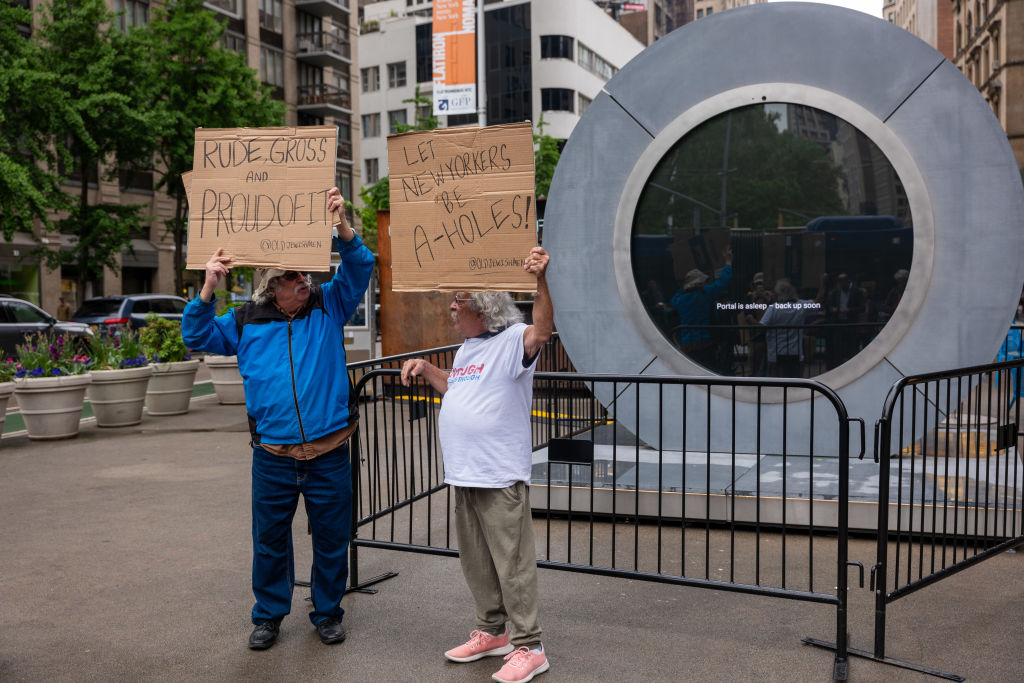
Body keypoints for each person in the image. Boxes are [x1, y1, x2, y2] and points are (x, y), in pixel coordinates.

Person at [181, 187, 374, 651]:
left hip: (329, 452)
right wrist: (208, 286)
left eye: (304, 272)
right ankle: (268, 616)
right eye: (292, 276)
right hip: (273, 456)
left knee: (331, 540)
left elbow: (360, 266)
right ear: (272, 285)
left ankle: (327, 612)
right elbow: (195, 333)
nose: (304, 280)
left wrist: (342, 227)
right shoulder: (246, 320)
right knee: (269, 543)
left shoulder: (328, 304)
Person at [400, 246, 553, 683]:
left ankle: (531, 646)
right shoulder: (469, 349)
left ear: (484, 308)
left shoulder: (513, 339)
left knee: (513, 565)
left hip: (499, 473)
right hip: (465, 473)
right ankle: (493, 632)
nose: (451, 305)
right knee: (478, 562)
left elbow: (543, 329)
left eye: (460, 299)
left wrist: (541, 279)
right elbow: (460, 390)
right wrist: (430, 370)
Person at [669, 248, 733, 372]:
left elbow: (673, 301)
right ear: (699, 283)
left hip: (687, 345)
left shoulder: (679, 299)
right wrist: (728, 262)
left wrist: (684, 288)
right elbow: (723, 281)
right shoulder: (705, 294)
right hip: (705, 343)